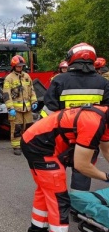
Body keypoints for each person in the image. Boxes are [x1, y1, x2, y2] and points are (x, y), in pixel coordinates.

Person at [21, 105, 109, 232]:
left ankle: (37, 229)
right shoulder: (93, 123)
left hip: (38, 140)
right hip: (39, 146)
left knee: (46, 190)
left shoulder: (104, 116)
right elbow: (82, 165)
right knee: (58, 198)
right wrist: (106, 177)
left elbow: (106, 149)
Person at [44, 42, 109, 191]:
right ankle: (78, 206)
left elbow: (47, 112)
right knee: (83, 171)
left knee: (55, 170)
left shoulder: (59, 80)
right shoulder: (103, 83)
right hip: (89, 138)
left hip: (62, 137)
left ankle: (58, 202)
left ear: (71, 58)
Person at [3, 55, 38, 155]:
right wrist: (10, 108)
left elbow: (32, 90)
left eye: (21, 66)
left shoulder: (26, 77)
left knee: (29, 127)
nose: (20, 67)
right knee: (17, 128)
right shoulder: (9, 78)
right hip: (16, 109)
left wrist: (34, 101)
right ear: (13, 66)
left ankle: (27, 145)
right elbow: (6, 94)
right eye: (18, 66)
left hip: (27, 108)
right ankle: (16, 146)